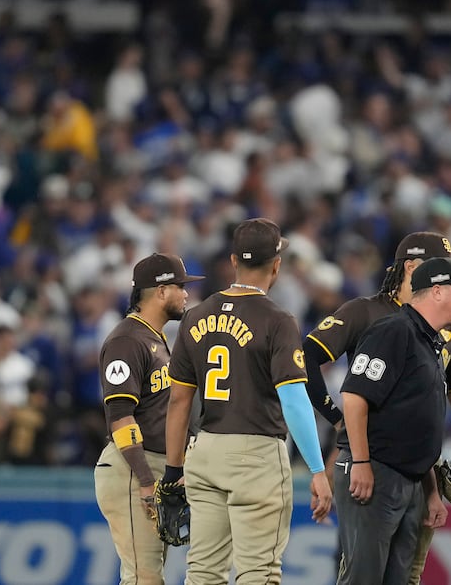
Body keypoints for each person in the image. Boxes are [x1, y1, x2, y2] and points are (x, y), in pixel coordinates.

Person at [164, 218, 332, 585]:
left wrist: (173, 470)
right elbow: (294, 398)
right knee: (258, 574)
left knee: (204, 573)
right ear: (277, 265)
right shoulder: (277, 319)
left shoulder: (196, 315)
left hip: (204, 451)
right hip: (255, 455)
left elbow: (178, 401)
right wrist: (317, 469)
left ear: (234, 260)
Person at [301, 231, 451, 585]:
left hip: (416, 469)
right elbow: (305, 358)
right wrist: (336, 419)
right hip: (369, 460)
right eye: (440, 269)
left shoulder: (444, 326)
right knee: (361, 570)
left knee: (406, 576)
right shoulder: (366, 311)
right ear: (412, 268)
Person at [337, 256, 451, 585]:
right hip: (375, 472)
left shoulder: (430, 341)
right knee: (363, 578)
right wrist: (360, 460)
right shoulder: (393, 330)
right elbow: (355, 397)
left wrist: (430, 491)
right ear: (438, 292)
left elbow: (416, 427)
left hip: (408, 478)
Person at [94, 253, 203, 585]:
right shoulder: (128, 340)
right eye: (180, 287)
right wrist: (145, 480)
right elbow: (120, 418)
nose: (186, 294)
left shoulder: (155, 338)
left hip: (156, 468)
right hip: (133, 470)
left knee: (148, 576)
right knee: (144, 579)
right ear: (160, 291)